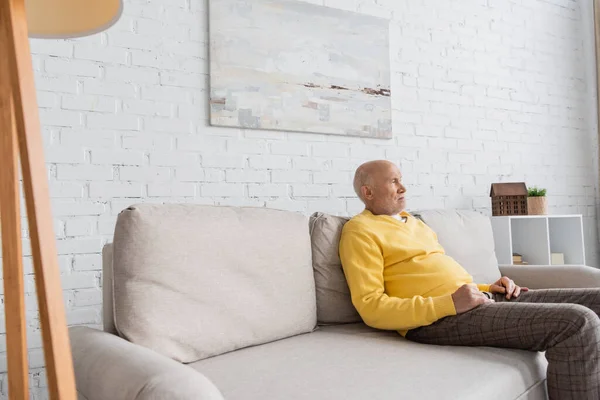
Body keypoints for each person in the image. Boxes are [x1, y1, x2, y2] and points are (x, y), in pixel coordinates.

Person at [339, 160, 600, 400]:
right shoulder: (359, 230)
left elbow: (443, 275)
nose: (403, 187)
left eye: (401, 179)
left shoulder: (414, 223)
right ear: (368, 192)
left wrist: (488, 287)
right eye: (393, 181)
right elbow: (371, 307)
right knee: (578, 323)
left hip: (475, 299)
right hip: (438, 320)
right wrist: (448, 304)